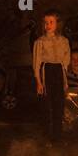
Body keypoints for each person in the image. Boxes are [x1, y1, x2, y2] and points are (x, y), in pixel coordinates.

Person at [33, 9, 71, 144]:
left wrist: (65, 80)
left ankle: (57, 136)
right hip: (46, 71)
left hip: (59, 72)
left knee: (58, 104)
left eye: (51, 22)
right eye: (45, 22)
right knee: (47, 104)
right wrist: (38, 81)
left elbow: (66, 60)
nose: (48, 25)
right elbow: (37, 62)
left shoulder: (64, 41)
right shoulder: (40, 42)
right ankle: (47, 134)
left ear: (57, 24)